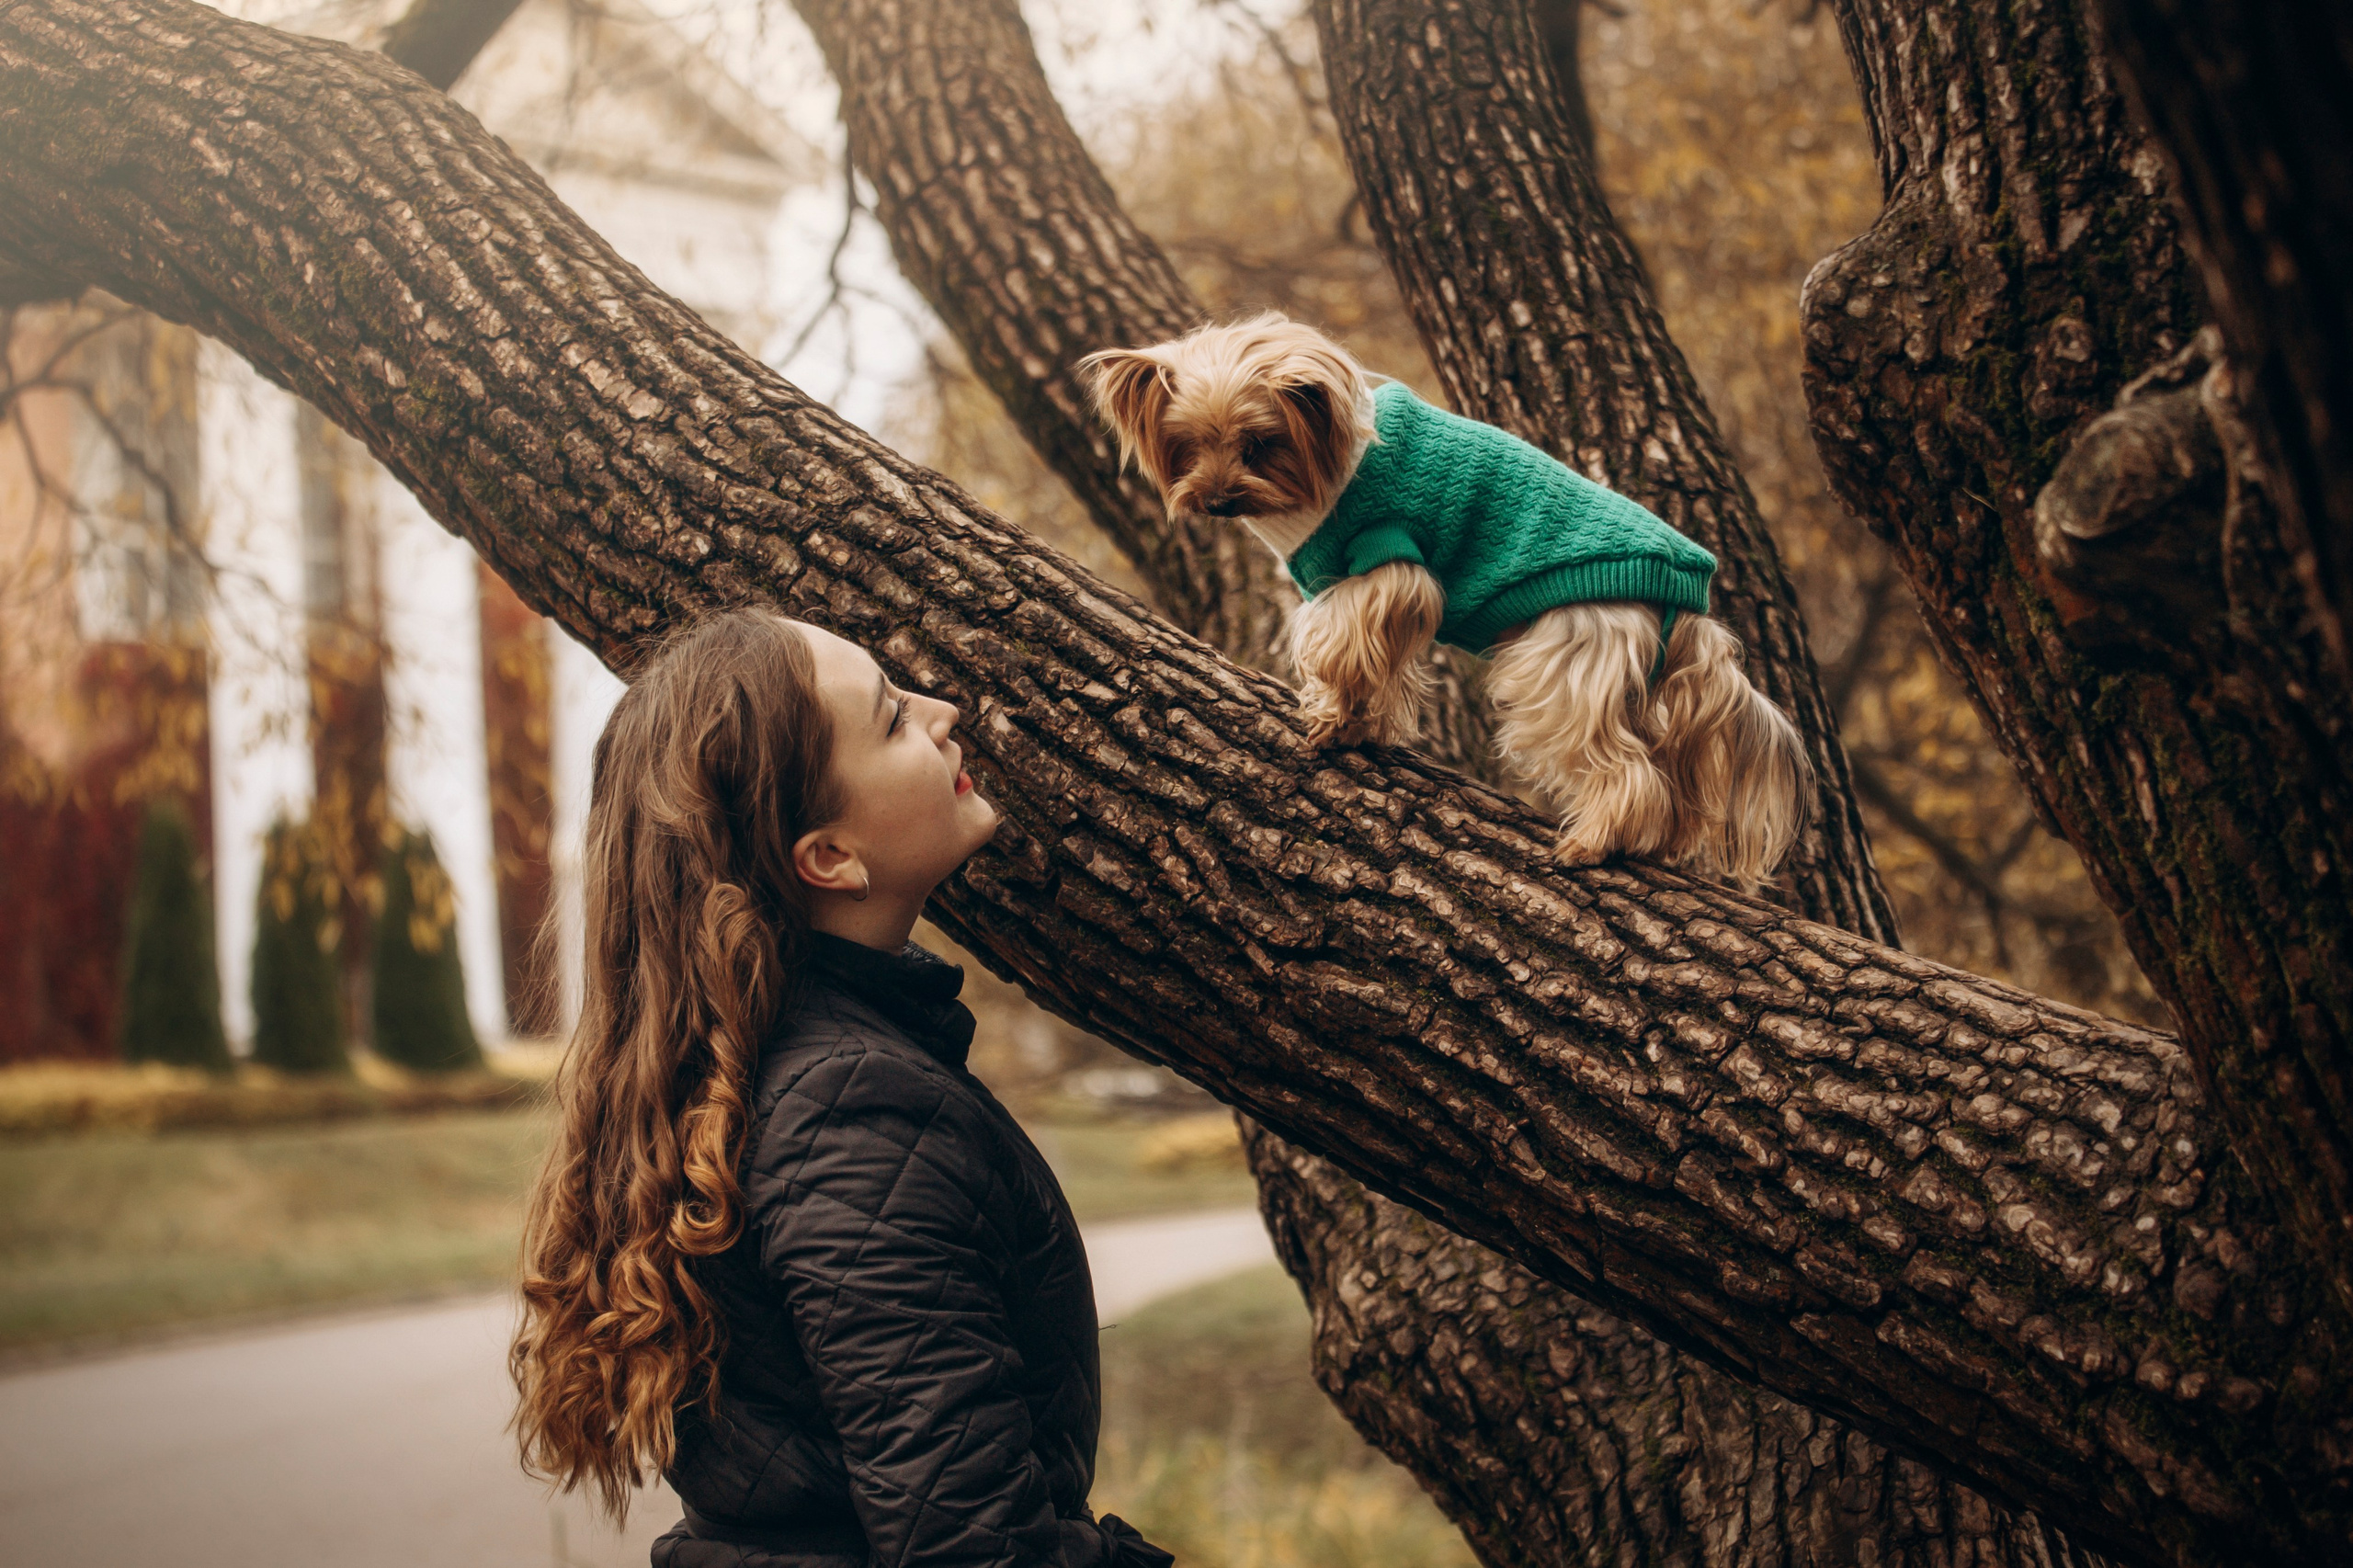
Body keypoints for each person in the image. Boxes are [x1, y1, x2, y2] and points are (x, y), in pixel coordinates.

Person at [508, 608, 1176, 1568]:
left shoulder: (797, 1071)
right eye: (894, 718)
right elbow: (973, 1549)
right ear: (828, 856)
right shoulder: (850, 1114)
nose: (945, 712)